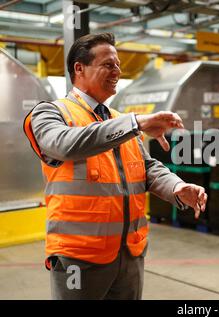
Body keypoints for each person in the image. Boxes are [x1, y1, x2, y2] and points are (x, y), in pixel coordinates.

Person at [23, 33, 207, 300]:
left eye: (118, 65)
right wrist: (137, 124)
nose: (117, 72)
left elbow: (146, 167)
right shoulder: (50, 113)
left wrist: (177, 187)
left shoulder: (120, 121)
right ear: (79, 68)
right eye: (109, 65)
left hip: (129, 254)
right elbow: (64, 144)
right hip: (79, 257)